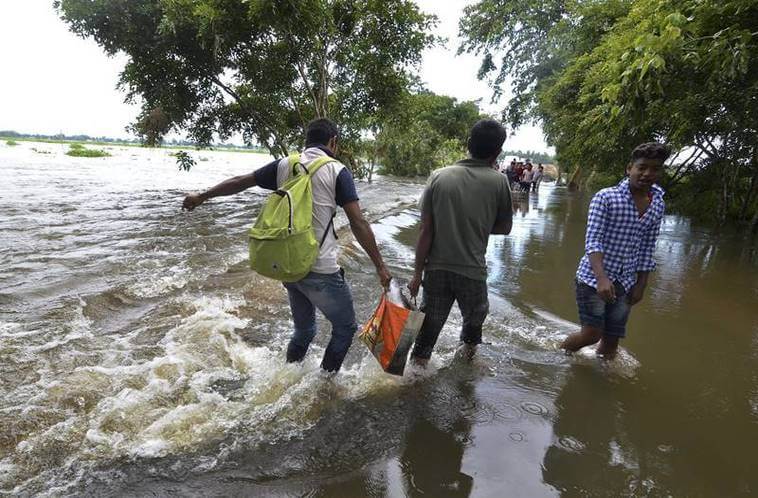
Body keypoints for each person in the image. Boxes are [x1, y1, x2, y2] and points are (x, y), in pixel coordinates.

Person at [182, 118, 391, 372]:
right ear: (333, 142)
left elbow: (240, 181)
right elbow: (358, 222)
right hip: (320, 269)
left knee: (304, 330)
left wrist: (201, 196)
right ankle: (323, 385)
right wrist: (380, 266)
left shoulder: (285, 164)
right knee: (345, 328)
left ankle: (288, 374)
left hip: (288, 266)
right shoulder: (337, 170)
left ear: (306, 141)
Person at [408, 119, 513, 366]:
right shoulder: (499, 182)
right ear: (498, 151)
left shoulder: (438, 177)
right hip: (472, 272)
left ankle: (415, 385)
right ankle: (465, 373)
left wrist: (416, 275)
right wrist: (477, 227)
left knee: (427, 334)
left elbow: (425, 230)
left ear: (468, 144)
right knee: (473, 327)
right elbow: (505, 227)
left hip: (435, 270)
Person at [561, 142, 670, 359]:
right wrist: (601, 278)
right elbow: (593, 241)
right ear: (630, 168)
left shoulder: (657, 203)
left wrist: (641, 284)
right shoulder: (606, 197)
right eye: (642, 167)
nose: (647, 173)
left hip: (626, 283)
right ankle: (561, 355)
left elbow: (648, 246)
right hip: (592, 280)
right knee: (592, 334)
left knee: (612, 342)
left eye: (654, 169)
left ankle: (600, 381)